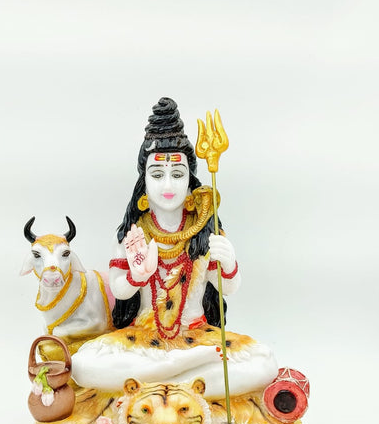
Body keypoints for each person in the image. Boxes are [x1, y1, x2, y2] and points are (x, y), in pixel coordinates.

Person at [72, 97, 277, 399]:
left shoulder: (205, 231)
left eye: (177, 175)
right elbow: (120, 289)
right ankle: (186, 377)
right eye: (157, 175)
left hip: (196, 334)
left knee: (264, 364)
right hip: (144, 339)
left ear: (190, 180)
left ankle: (155, 382)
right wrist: (138, 276)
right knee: (82, 366)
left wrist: (229, 262)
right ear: (143, 181)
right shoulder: (134, 233)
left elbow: (228, 287)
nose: (167, 186)